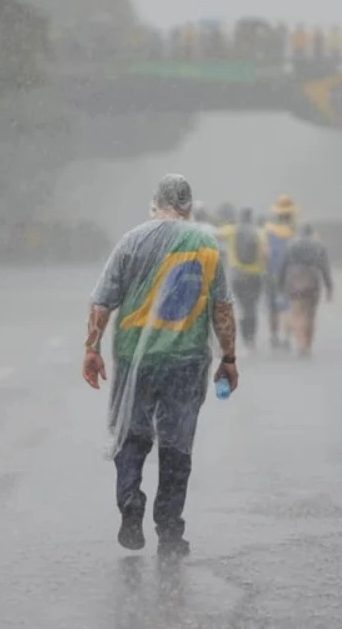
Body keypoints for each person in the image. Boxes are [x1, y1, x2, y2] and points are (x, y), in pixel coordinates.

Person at [83, 174, 238, 559]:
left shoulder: (132, 241)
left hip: (137, 357)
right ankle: (169, 531)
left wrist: (92, 348)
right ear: (188, 204)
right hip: (186, 359)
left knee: (132, 435)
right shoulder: (206, 244)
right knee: (176, 444)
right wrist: (229, 359)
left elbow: (101, 302)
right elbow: (222, 308)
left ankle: (130, 501)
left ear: (156, 202)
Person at [278, 224, 333, 357]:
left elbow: (283, 266)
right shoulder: (318, 246)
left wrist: (280, 286)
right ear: (311, 233)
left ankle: (301, 344)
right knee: (310, 315)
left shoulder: (290, 245)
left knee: (297, 314)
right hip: (312, 280)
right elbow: (325, 268)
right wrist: (329, 287)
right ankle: (308, 344)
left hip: (294, 280)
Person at [226, 207, 268, 351]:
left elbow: (213, 234)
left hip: (237, 276)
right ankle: (251, 338)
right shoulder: (259, 231)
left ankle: (244, 335)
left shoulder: (232, 230)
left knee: (243, 306)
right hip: (255, 276)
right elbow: (264, 253)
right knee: (252, 306)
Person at [263, 195, 298, 350]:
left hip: (271, 273)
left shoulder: (268, 230)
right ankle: (286, 337)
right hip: (292, 274)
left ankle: (273, 336)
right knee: (288, 307)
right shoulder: (295, 231)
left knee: (272, 308)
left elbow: (264, 252)